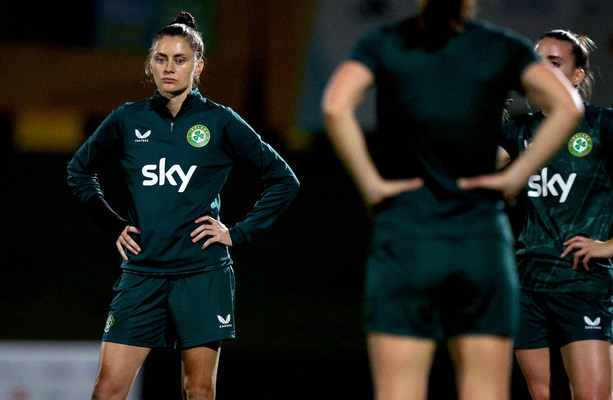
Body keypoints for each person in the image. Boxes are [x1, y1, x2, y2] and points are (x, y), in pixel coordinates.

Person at [320, 1, 583, 399]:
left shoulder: (384, 42)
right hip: (480, 239)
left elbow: (335, 106)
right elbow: (568, 105)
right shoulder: (502, 46)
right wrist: (514, 176)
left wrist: (371, 184)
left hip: (407, 236)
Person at [67, 11, 299, 400]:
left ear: (199, 66)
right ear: (150, 65)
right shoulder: (128, 120)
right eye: (161, 59)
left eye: (180, 59)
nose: (169, 68)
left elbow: (283, 179)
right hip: (142, 274)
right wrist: (112, 224)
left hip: (202, 274)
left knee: (198, 390)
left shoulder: (220, 122)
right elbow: (79, 171)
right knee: (106, 391)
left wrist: (237, 233)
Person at [500, 29, 613, 400]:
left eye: (554, 62)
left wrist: (609, 246)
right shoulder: (516, 132)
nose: (541, 70)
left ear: (577, 76)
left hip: (583, 284)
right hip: (528, 285)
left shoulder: (602, 126)